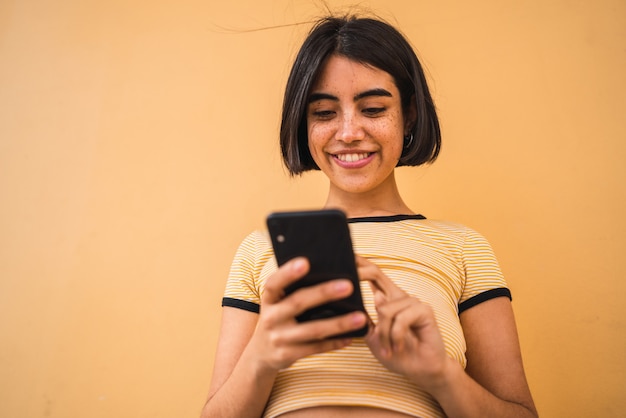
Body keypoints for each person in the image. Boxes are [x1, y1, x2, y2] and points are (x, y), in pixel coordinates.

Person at [201, 14, 538, 418]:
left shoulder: (464, 248)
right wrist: (261, 357)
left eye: (373, 108)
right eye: (324, 113)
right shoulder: (259, 252)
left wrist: (440, 374)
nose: (348, 132)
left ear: (409, 115)